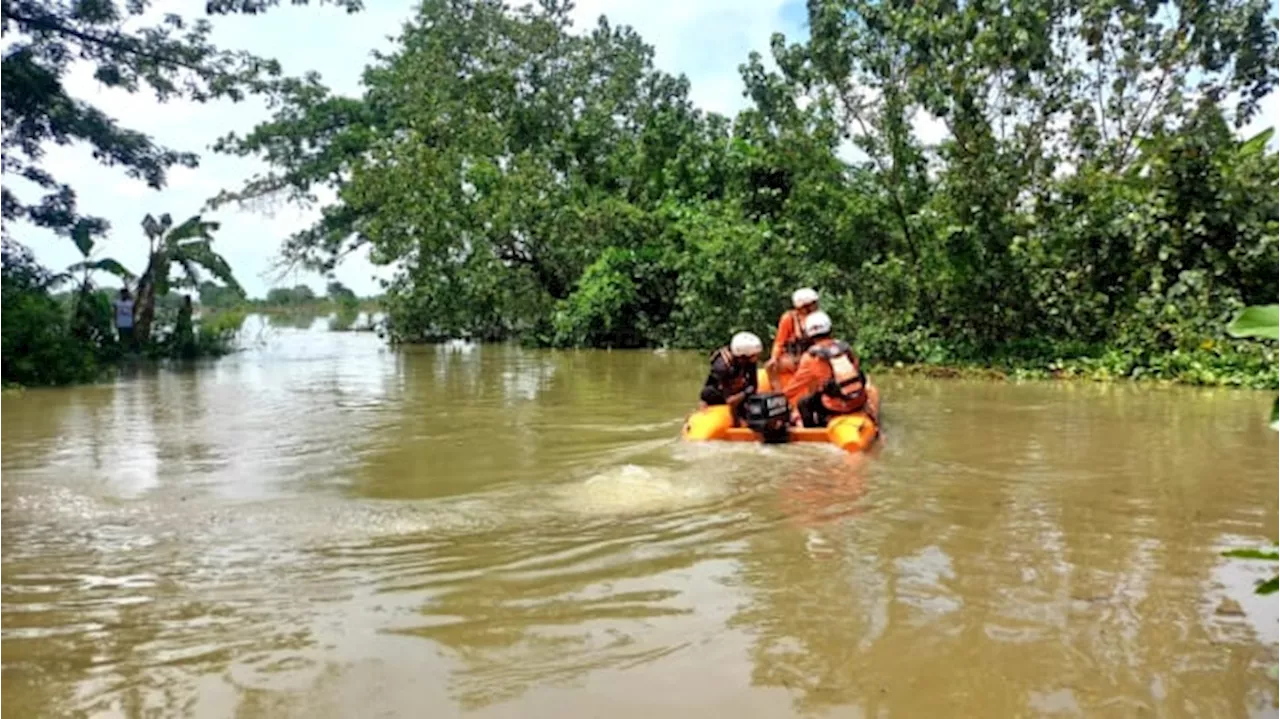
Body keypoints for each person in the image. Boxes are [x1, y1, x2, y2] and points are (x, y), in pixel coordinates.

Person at [782, 311, 880, 427]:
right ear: (830, 329)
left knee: (803, 403)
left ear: (809, 334)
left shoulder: (810, 357)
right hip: (859, 400)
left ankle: (812, 431)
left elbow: (795, 386)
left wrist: (779, 397)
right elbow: (855, 371)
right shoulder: (845, 348)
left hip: (834, 406)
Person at [700, 331, 764, 415]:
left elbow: (753, 384)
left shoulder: (749, 361)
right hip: (722, 394)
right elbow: (709, 389)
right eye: (754, 355)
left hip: (739, 392)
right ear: (742, 356)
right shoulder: (721, 366)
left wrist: (742, 395)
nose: (756, 358)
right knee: (709, 393)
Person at [766, 287, 820, 388]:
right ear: (804, 306)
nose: (816, 306)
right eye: (814, 304)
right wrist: (774, 358)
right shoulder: (789, 318)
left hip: (811, 358)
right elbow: (779, 342)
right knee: (772, 366)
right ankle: (779, 394)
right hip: (793, 359)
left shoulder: (819, 319)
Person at [112, 287, 135, 351]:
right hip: (120, 322)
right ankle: (122, 349)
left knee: (129, 337)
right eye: (123, 294)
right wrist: (115, 321)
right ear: (121, 294)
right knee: (121, 336)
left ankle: (128, 349)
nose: (124, 295)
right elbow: (115, 313)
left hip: (129, 322)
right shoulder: (117, 302)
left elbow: (133, 313)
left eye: (126, 293)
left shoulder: (131, 303)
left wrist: (133, 321)